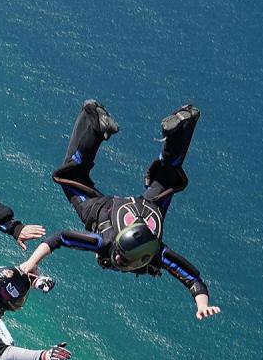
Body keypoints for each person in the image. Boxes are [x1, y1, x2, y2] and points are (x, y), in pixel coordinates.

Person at [36, 100, 220, 320]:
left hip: (149, 208)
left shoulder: (157, 252)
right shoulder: (108, 242)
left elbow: (193, 281)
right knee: (71, 176)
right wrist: (30, 263)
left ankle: (184, 124)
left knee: (168, 175)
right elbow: (60, 238)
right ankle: (94, 118)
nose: (117, 260)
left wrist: (203, 305)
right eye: (119, 257)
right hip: (104, 210)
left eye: (120, 259)